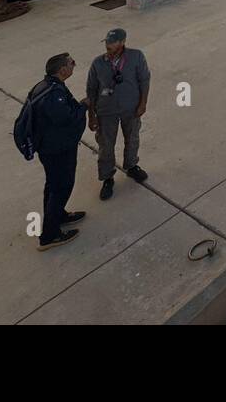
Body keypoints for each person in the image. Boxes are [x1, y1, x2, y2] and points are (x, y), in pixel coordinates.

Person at [29, 53, 87, 251]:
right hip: (57, 149)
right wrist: (84, 105)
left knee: (53, 186)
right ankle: (49, 236)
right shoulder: (55, 94)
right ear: (62, 69)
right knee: (62, 187)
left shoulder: (45, 86)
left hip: (50, 147)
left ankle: (59, 215)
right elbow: (68, 119)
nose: (74, 65)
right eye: (72, 63)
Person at [87, 28, 151, 201]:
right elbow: (91, 89)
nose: (108, 45)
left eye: (112, 42)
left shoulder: (136, 57)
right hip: (106, 111)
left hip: (131, 108)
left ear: (122, 42)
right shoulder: (98, 63)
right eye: (107, 42)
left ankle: (132, 166)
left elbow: (144, 80)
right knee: (106, 144)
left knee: (132, 137)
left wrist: (143, 103)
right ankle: (107, 177)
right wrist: (91, 115)